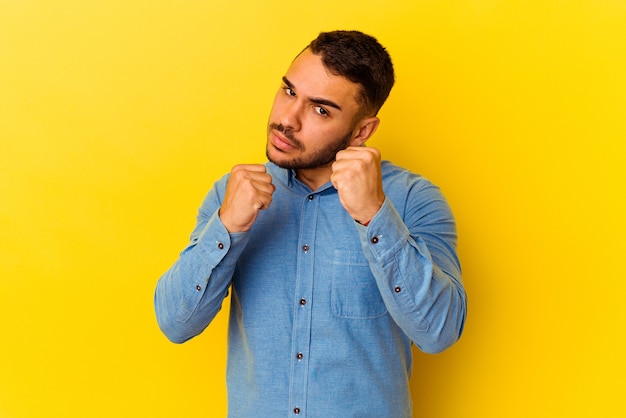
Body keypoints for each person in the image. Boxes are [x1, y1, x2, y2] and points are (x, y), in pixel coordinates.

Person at [154, 30, 467, 417]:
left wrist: (374, 215)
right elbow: (175, 323)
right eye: (289, 91)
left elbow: (439, 332)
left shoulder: (412, 199)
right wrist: (227, 227)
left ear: (361, 132)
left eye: (320, 109)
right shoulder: (231, 194)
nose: (287, 119)